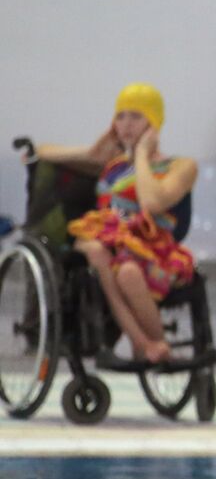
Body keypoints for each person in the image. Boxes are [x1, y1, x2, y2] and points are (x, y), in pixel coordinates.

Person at [38, 83, 197, 364]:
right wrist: (93, 149)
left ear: (154, 123)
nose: (126, 124)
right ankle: (146, 344)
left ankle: (152, 344)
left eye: (136, 116)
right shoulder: (113, 163)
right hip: (102, 240)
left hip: (150, 248)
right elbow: (44, 151)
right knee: (100, 254)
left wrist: (141, 156)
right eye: (120, 116)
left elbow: (152, 202)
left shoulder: (181, 166)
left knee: (128, 274)